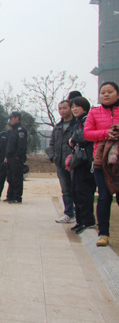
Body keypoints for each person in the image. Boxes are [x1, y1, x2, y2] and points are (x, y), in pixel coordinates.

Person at [84, 81, 119, 247]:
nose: (106, 94)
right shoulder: (94, 112)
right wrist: (107, 133)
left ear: (117, 94)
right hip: (101, 162)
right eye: (103, 92)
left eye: (110, 91)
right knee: (104, 197)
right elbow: (88, 134)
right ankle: (103, 233)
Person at [68, 96, 95, 233]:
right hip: (79, 161)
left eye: (77, 106)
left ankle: (88, 221)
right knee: (76, 191)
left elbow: (86, 135)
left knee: (84, 192)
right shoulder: (77, 122)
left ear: (84, 107)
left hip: (87, 161)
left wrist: (73, 138)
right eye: (72, 107)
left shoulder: (88, 119)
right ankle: (80, 220)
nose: (74, 109)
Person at [49, 100, 76, 223]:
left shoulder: (76, 125)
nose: (62, 111)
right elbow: (52, 143)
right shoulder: (57, 127)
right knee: (65, 189)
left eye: (65, 108)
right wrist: (53, 156)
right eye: (60, 108)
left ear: (71, 108)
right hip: (60, 162)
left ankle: (80, 214)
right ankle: (68, 213)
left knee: (77, 188)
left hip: (74, 163)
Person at [5, 111, 27, 204]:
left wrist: (17, 156)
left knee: (16, 178)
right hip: (10, 157)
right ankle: (10, 195)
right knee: (10, 178)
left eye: (11, 118)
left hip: (16, 158)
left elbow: (21, 145)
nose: (10, 120)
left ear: (17, 118)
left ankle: (17, 196)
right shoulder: (12, 130)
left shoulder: (21, 130)